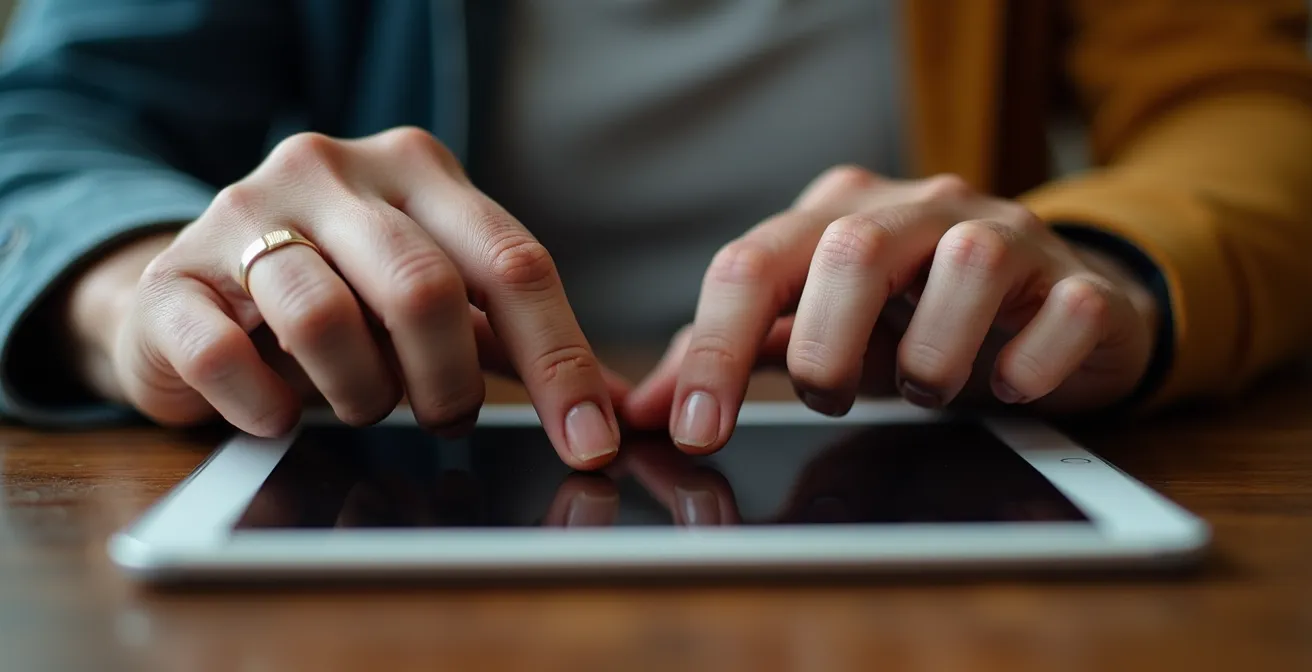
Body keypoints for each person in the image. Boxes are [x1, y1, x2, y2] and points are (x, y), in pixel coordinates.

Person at [0, 1, 1309, 471]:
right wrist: (136, 299)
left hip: (921, 460)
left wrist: (1111, 266)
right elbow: (47, 122)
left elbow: (1244, 103)